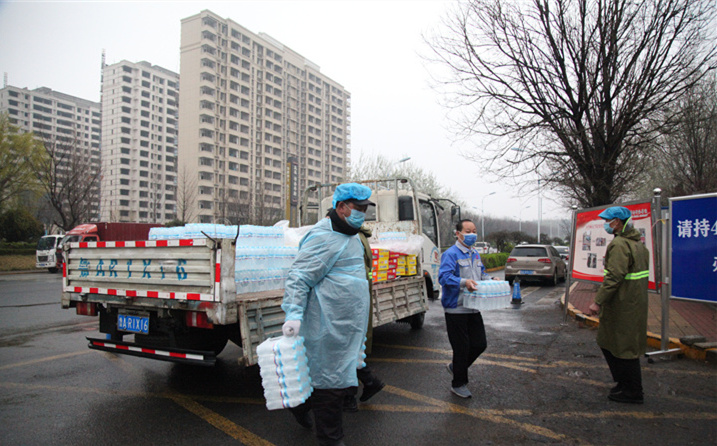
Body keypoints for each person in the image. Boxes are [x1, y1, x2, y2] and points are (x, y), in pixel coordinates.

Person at [282, 182, 374, 446]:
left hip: (348, 328)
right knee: (330, 387)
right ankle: (331, 440)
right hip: (327, 327)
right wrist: (294, 313)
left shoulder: (352, 234)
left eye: (365, 209)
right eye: (359, 208)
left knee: (338, 383)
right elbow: (299, 277)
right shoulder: (323, 236)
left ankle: (300, 407)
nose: (362, 213)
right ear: (341, 207)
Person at [588, 206, 649, 404]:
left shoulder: (620, 245)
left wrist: (598, 302)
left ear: (618, 222)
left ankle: (632, 391)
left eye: (608, 220)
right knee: (617, 344)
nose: (606, 224)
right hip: (633, 302)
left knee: (622, 347)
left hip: (623, 304)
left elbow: (614, 277)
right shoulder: (638, 244)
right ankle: (624, 384)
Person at [438, 219, 494, 398]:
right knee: (461, 348)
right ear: (458, 234)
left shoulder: (475, 254)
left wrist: (490, 281)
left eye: (474, 231)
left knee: (479, 344)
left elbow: (482, 273)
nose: (472, 234)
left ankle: (456, 368)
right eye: (468, 231)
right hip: (456, 308)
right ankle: (458, 383)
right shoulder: (451, 254)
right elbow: (444, 277)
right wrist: (464, 282)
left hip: (474, 307)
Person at [343, 224, 385, 412]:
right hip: (356, 299)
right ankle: (369, 382)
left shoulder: (353, 238)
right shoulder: (360, 236)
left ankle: (350, 396)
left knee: (347, 352)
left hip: (349, 301)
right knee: (350, 351)